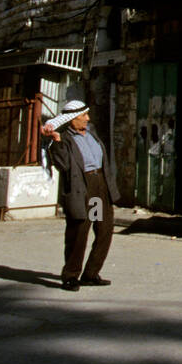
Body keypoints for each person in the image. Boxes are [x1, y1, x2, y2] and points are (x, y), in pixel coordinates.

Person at [40, 100, 119, 291]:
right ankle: (71, 276)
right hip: (81, 187)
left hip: (98, 187)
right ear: (72, 119)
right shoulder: (65, 139)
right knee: (79, 233)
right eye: (83, 116)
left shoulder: (90, 135)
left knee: (104, 230)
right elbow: (64, 166)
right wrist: (57, 143)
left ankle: (91, 274)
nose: (87, 118)